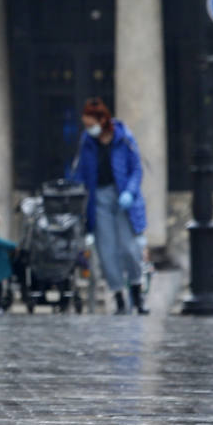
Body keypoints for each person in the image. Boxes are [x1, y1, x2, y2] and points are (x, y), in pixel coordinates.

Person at [67, 97, 149, 315]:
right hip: (99, 200)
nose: (89, 128)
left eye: (91, 124)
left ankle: (137, 294)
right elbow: (81, 172)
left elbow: (136, 169)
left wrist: (130, 193)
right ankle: (119, 299)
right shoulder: (87, 142)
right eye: (86, 125)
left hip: (122, 198)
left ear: (102, 119)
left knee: (129, 249)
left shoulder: (124, 137)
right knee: (107, 252)